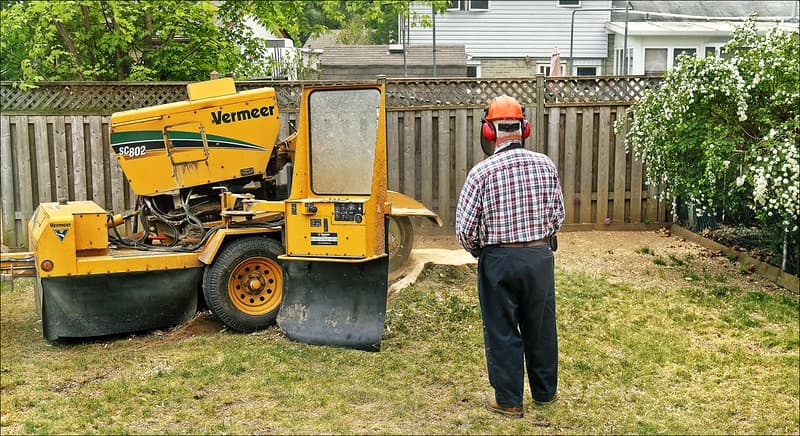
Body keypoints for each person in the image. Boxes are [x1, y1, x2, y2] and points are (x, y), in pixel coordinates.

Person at [455, 95, 565, 418]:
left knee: (502, 328)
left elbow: (464, 229)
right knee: (541, 326)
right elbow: (558, 215)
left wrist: (481, 250)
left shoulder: (481, 174)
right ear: (523, 129)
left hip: (499, 261)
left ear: (489, 132)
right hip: (540, 257)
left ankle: (508, 400)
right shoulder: (546, 165)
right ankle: (545, 395)